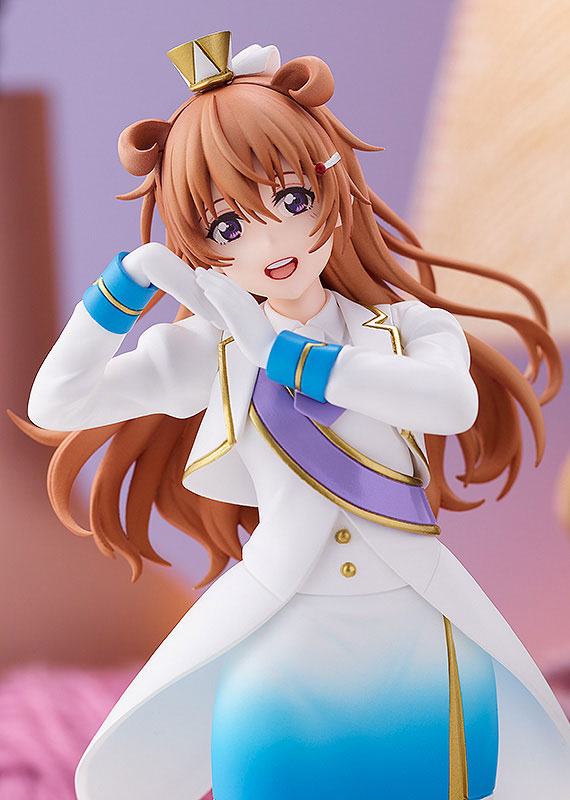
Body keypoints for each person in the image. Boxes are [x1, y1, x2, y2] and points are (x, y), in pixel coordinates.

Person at [23, 31, 570, 800]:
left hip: (419, 633)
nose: (271, 239)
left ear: (330, 185)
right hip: (283, 640)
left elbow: (450, 401)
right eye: (227, 226)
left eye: (290, 199)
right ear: (199, 244)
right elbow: (57, 403)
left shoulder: (406, 329)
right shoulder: (213, 353)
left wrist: (282, 354)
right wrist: (121, 288)